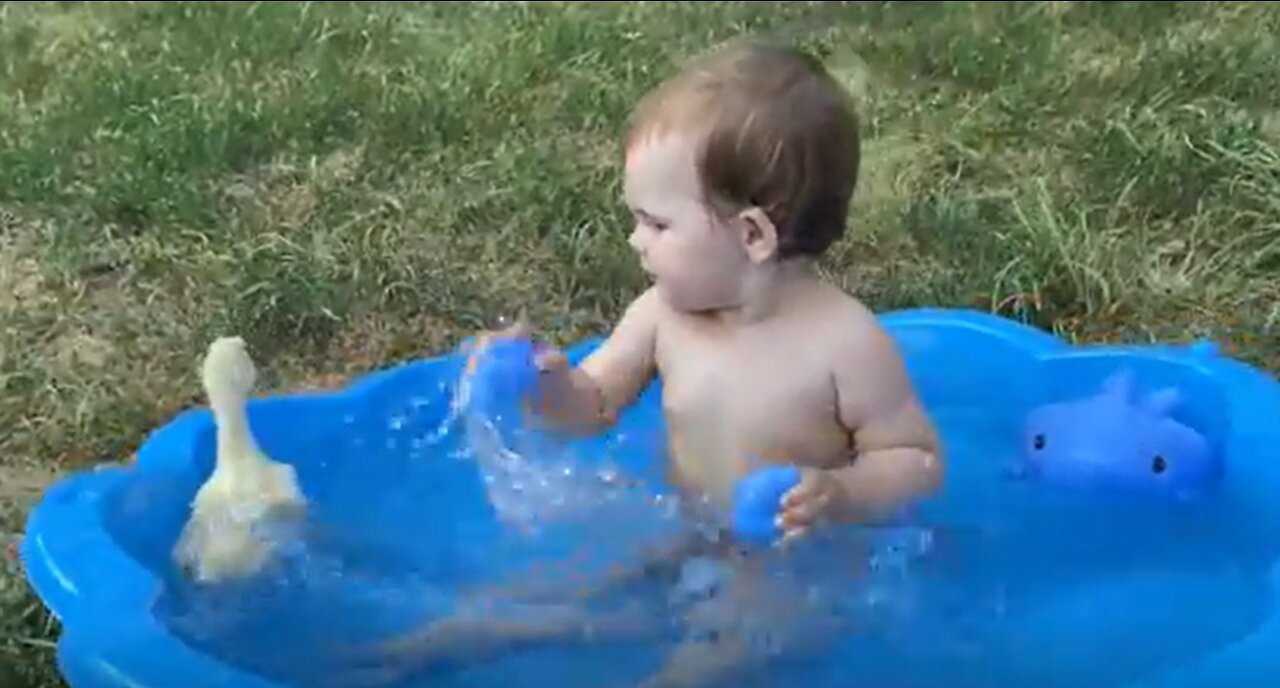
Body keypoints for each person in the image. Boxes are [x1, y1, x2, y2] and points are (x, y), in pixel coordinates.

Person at [347, 39, 944, 688]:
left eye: (656, 225)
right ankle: (422, 651)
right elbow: (595, 402)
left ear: (752, 236)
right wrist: (545, 382)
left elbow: (917, 460)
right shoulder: (663, 314)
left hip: (795, 566)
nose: (635, 241)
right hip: (688, 533)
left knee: (709, 660)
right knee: (549, 601)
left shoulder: (845, 344)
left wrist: (839, 492)